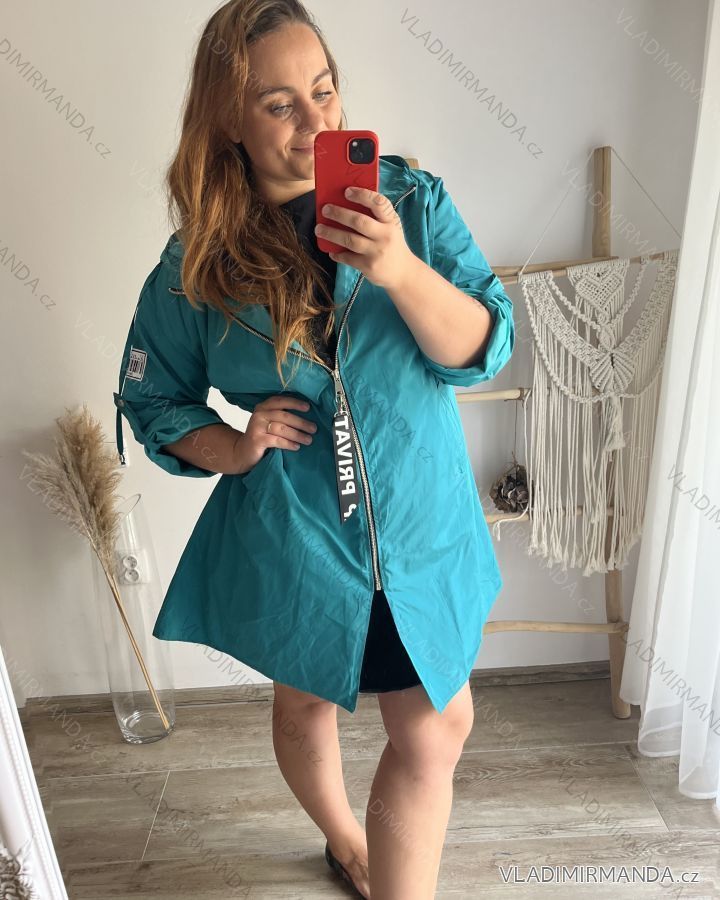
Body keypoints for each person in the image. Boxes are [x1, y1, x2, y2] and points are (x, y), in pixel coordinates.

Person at [113, 1, 515, 897]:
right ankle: (343, 837)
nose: (315, 121)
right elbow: (150, 396)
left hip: (416, 517)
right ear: (229, 119)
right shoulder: (197, 264)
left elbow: (486, 344)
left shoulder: (410, 202)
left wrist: (399, 269)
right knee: (304, 699)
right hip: (298, 531)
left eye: (324, 91)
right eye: (279, 104)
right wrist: (234, 445)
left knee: (435, 728)